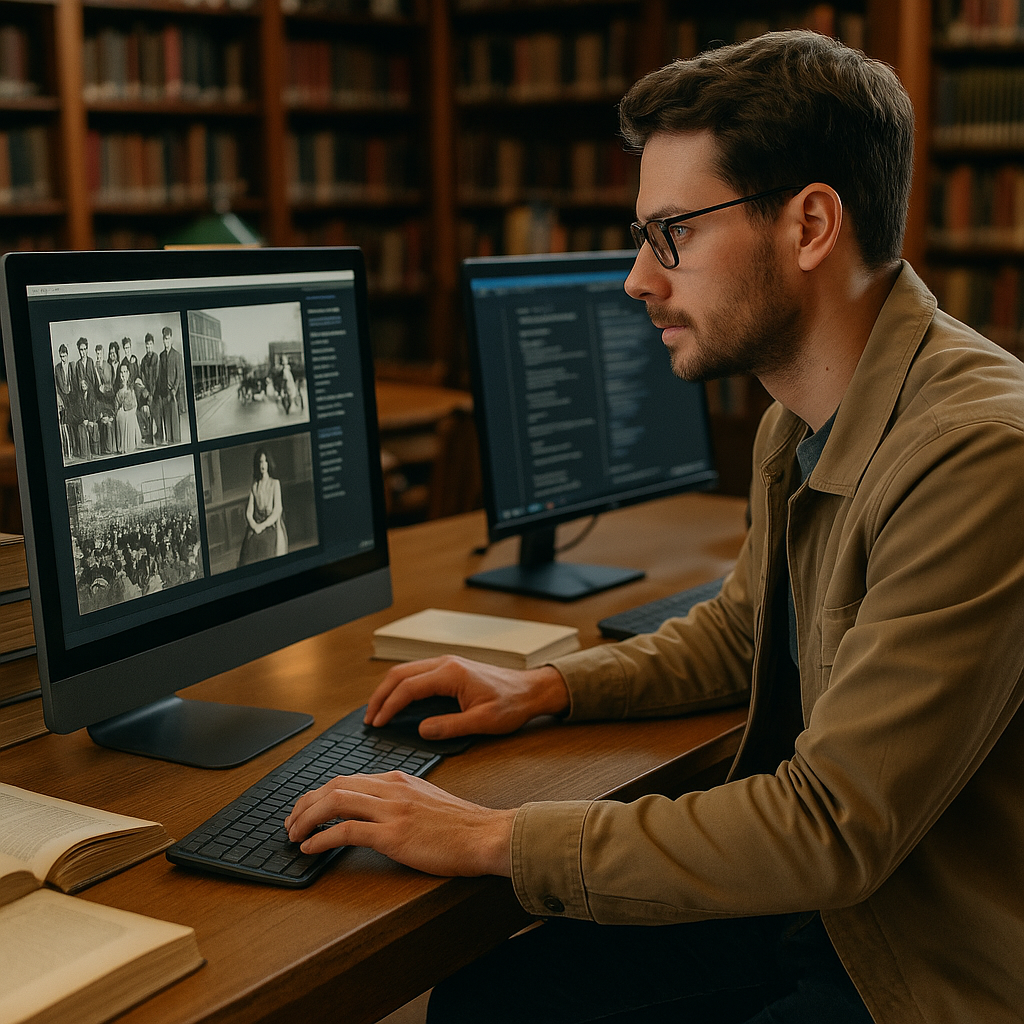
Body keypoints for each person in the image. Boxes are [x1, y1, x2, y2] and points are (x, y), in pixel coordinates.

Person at [283, 31, 1024, 1024]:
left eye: (671, 231)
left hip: (922, 965)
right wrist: (543, 688)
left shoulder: (978, 454)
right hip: (837, 912)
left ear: (809, 225)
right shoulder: (797, 415)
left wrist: (493, 836)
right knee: (487, 1001)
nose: (639, 278)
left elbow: (831, 826)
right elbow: (744, 631)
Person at [237, 446, 288, 566]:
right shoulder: (255, 486)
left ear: (269, 463)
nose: (262, 465)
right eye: (260, 461)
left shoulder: (275, 484)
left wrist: (263, 525)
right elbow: (249, 513)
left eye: (265, 461)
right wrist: (255, 526)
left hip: (272, 525)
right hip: (257, 526)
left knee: (266, 545)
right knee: (249, 547)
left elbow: (277, 510)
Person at [157, 325, 184, 444]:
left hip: (174, 394)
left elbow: (179, 375)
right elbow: (160, 375)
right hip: (164, 393)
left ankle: (177, 442)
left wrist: (174, 389)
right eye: (164, 339)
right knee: (167, 420)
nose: (166, 341)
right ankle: (169, 441)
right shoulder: (161, 356)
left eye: (168, 338)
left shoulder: (177, 355)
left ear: (171, 339)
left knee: (174, 421)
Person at [114, 362, 142, 454]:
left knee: (129, 416)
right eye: (121, 372)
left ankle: (129, 445)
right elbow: (116, 406)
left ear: (128, 373)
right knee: (120, 415)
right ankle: (122, 446)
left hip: (131, 411)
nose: (123, 374)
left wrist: (129, 410)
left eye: (125, 372)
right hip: (121, 411)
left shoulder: (131, 387)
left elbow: (135, 404)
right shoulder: (118, 389)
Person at [53, 343, 73, 458]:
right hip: (62, 400)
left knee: (70, 426)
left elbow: (73, 384)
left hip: (71, 399)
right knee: (63, 426)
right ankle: (66, 452)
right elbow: (58, 386)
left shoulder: (71, 366)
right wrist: (60, 400)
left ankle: (71, 451)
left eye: (64, 356)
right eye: (61, 356)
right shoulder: (57, 368)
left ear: (67, 355)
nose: (63, 358)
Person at [140, 333, 159, 444]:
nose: (149, 348)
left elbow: (156, 377)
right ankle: (148, 436)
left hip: (155, 392)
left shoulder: (156, 358)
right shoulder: (143, 360)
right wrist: (145, 390)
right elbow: (143, 376)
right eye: (147, 345)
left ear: (153, 344)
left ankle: (159, 436)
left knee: (155, 415)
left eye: (150, 345)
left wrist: (151, 393)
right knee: (145, 413)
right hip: (147, 392)